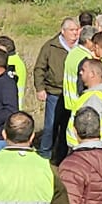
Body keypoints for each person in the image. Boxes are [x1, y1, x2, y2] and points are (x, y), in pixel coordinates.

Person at [36, 17, 82, 162]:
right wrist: (40, 88)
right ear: (63, 31)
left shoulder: (80, 49)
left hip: (73, 95)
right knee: (50, 126)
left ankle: (61, 157)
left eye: (77, 30)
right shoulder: (50, 47)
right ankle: (44, 155)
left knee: (67, 127)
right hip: (54, 93)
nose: (75, 33)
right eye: (72, 30)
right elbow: (39, 68)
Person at [65, 57, 102, 152]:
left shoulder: (94, 98)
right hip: (94, 147)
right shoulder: (96, 94)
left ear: (92, 74)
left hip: (87, 148)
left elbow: (88, 127)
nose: (80, 73)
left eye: (83, 70)